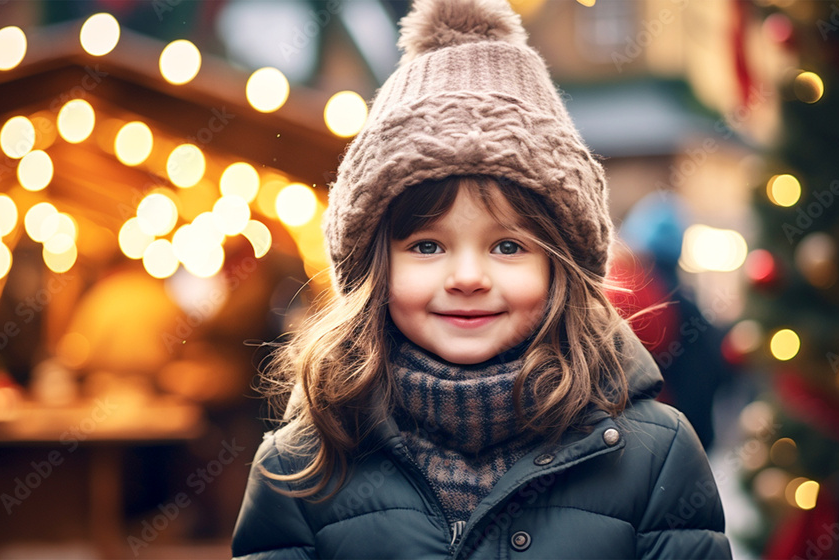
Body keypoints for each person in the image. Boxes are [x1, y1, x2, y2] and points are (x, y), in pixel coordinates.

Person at [233, 0, 730, 557]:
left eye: (508, 246)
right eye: (426, 245)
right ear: (374, 267)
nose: (467, 276)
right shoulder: (300, 468)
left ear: (559, 266)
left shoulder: (655, 457)